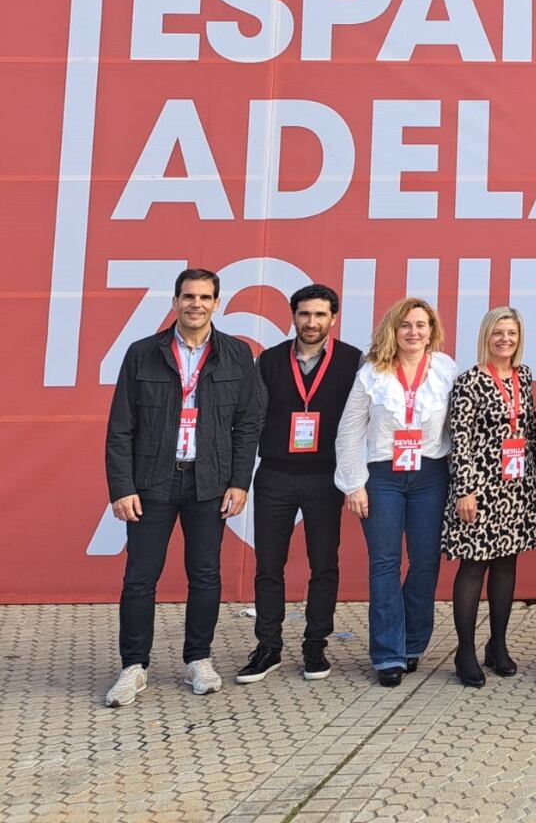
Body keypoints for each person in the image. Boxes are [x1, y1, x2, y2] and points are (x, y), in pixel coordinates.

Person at [103, 268, 265, 707]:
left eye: (204, 297)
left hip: (209, 482)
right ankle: (133, 667)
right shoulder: (143, 353)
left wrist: (238, 481)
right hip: (151, 482)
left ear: (217, 302)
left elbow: (248, 424)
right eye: (188, 296)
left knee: (205, 574)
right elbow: (121, 427)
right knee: (140, 578)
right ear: (174, 302)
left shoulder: (236, 354)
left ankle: (199, 659)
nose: (196, 304)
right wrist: (122, 487)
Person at [236, 283, 362, 686]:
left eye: (320, 315)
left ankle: (315, 642)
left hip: (325, 475)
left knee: (324, 563)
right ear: (293, 316)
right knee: (268, 564)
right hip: (275, 473)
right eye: (304, 314)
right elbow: (252, 416)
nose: (312, 322)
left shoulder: (352, 361)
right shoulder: (269, 360)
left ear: (333, 318)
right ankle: (268, 646)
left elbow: (360, 422)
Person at [335, 297, 457, 687]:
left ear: (431, 331)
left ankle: (413, 644)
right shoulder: (372, 371)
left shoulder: (446, 369)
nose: (413, 332)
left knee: (425, 562)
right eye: (406, 325)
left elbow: (459, 425)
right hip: (383, 476)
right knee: (385, 564)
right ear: (393, 329)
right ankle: (388, 653)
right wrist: (354, 482)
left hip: (431, 474)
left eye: (421, 325)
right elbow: (350, 429)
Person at [442, 307, 536, 687]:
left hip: (516, 487)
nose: (506, 339)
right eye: (499, 332)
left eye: (512, 333)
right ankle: (465, 650)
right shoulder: (470, 380)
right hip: (480, 488)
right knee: (473, 567)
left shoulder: (523, 376)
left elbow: (530, 430)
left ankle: (497, 645)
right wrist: (465, 489)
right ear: (486, 336)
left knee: (506, 566)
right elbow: (461, 438)